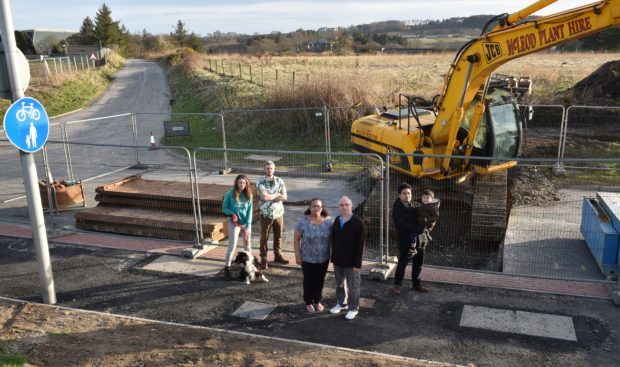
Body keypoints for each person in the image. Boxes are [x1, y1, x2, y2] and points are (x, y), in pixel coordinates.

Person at [329, 196, 366, 320]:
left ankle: (353, 308)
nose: (344, 207)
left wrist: (357, 264)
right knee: (339, 284)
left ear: (351, 205)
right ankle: (341, 303)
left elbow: (360, 246)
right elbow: (333, 240)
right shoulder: (337, 220)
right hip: (338, 260)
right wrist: (333, 257)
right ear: (339, 207)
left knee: (353, 286)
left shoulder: (358, 223)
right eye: (342, 205)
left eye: (347, 204)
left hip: (352, 262)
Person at [294, 198, 333, 313]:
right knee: (309, 280)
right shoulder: (303, 222)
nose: (316, 208)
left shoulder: (328, 222)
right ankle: (308, 302)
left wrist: (333, 253)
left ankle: (317, 301)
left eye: (318, 206)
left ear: (322, 208)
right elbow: (296, 239)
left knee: (320, 280)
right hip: (307, 258)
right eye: (313, 206)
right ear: (309, 207)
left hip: (323, 258)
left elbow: (332, 239)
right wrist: (297, 255)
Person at [392, 183, 428, 295]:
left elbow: (425, 216)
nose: (407, 195)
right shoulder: (397, 209)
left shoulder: (415, 206)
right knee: (403, 263)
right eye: (404, 193)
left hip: (419, 240)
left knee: (418, 262)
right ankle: (397, 285)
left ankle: (416, 284)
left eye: (409, 193)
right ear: (399, 195)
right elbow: (402, 224)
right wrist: (418, 228)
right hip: (405, 240)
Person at [257, 160, 289, 269]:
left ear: (274, 169)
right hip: (266, 214)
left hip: (278, 213)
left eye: (271, 168)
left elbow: (284, 197)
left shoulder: (280, 181)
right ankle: (263, 258)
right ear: (264, 169)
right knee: (264, 237)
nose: (269, 170)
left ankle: (278, 255)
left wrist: (270, 196)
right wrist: (276, 194)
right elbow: (264, 197)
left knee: (278, 235)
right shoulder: (260, 182)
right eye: (267, 168)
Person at [221, 175, 254, 278]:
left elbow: (250, 211)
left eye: (244, 183)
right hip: (234, 223)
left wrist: (248, 226)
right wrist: (231, 213)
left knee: (247, 245)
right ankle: (227, 267)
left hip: (245, 223)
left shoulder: (249, 195)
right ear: (236, 183)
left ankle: (248, 266)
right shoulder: (230, 194)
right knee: (232, 246)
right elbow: (224, 208)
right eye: (240, 183)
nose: (242, 185)